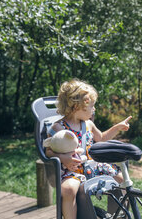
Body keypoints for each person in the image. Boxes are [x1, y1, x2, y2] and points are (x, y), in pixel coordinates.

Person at [45, 78, 132, 219]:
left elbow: (102, 138)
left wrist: (117, 127)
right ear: (76, 107)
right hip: (72, 171)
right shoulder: (57, 128)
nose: (94, 109)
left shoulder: (88, 125)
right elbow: (48, 151)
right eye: (92, 106)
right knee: (68, 190)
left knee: (122, 179)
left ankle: (120, 215)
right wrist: (63, 158)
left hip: (94, 166)